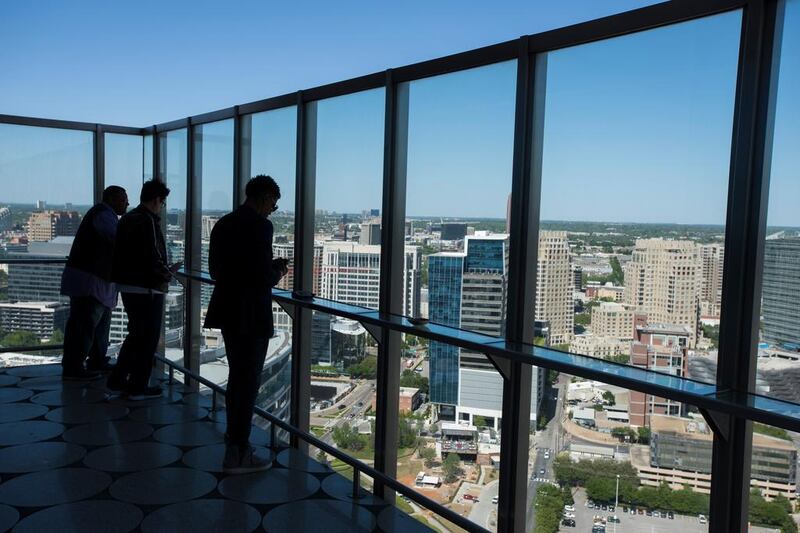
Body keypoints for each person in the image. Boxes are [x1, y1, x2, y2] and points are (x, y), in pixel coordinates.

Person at [205, 175, 288, 474]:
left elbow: (215, 270)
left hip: (227, 309)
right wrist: (278, 269)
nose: (272, 210)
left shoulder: (223, 224)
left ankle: (234, 444)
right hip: (251, 313)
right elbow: (261, 277)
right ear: (265, 197)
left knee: (237, 379)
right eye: (273, 204)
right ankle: (239, 451)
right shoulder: (261, 226)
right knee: (248, 381)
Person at [107, 180, 179, 400]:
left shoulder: (127, 219)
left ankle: (119, 379)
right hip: (147, 288)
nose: (162, 206)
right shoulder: (147, 221)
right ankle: (137, 385)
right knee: (147, 339)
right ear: (157, 199)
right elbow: (151, 256)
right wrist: (168, 273)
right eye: (163, 202)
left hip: (128, 286)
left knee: (136, 335)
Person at [60, 186, 129, 380]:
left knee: (97, 326)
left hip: (94, 282)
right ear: (113, 200)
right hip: (90, 283)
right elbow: (117, 240)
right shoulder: (103, 216)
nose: (127, 203)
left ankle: (95, 362)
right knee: (85, 327)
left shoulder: (101, 215)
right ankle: (75, 367)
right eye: (124, 200)